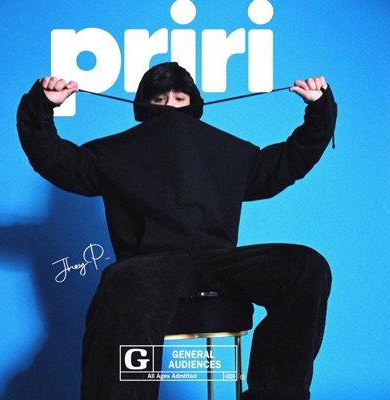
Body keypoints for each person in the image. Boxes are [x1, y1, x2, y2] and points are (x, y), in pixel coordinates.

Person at [17, 62, 337, 400]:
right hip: (148, 267)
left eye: (179, 99)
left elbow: (287, 161)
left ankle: (275, 395)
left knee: (306, 266)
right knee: (118, 282)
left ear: (193, 104)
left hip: (219, 261)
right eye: (159, 100)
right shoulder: (114, 151)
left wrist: (319, 109)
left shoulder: (227, 149)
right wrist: (42, 105)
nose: (170, 107)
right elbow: (54, 159)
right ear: (144, 106)